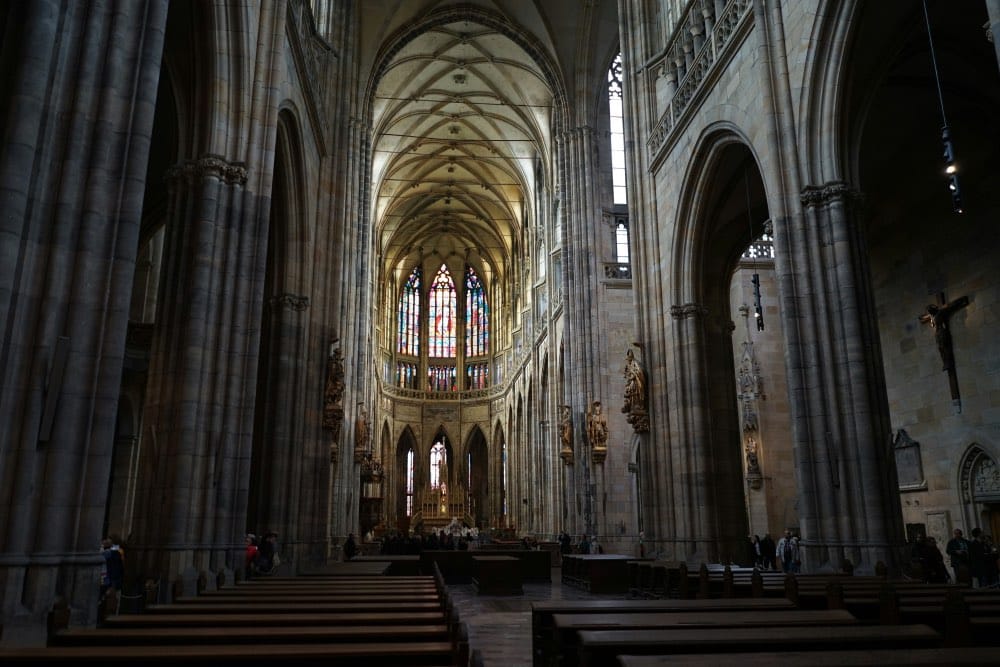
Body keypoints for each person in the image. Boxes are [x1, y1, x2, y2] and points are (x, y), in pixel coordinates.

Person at [100, 537, 125, 602]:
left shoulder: (114, 552)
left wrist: (113, 585)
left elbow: (116, 570)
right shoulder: (114, 551)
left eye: (107, 542)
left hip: (106, 579)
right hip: (105, 579)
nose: (104, 542)